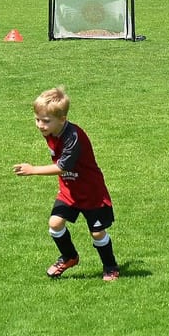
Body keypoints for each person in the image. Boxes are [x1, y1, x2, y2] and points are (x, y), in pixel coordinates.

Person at [13, 87, 119, 282]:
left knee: (97, 233)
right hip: (69, 190)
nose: (40, 125)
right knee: (55, 223)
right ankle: (70, 257)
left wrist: (32, 170)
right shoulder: (52, 131)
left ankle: (110, 266)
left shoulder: (73, 137)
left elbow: (63, 166)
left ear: (62, 119)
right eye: (37, 119)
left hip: (91, 192)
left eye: (45, 121)